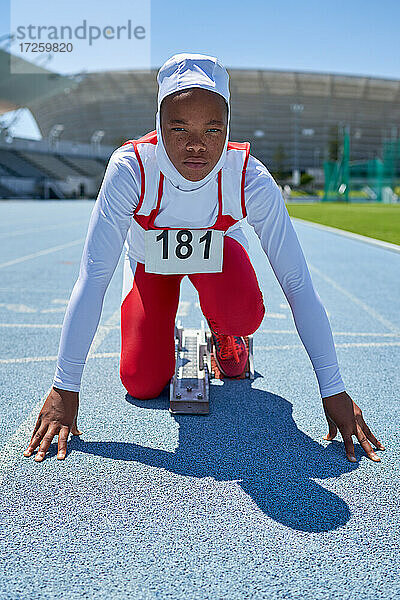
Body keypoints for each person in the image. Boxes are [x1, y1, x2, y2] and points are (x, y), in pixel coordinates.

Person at [23, 53, 385, 464]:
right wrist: (64, 387)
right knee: (140, 383)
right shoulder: (130, 169)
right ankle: (162, 330)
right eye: (180, 128)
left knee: (243, 314)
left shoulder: (248, 176)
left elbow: (297, 282)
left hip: (218, 263)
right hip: (150, 265)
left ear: (227, 127)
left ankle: (227, 337)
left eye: (212, 130)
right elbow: (93, 276)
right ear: (159, 124)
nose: (197, 144)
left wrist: (332, 387)